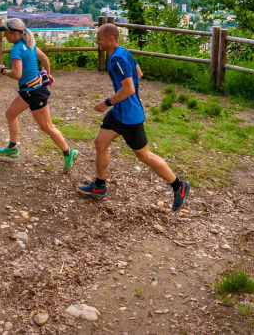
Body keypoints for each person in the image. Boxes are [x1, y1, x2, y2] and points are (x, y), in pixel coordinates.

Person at [77, 23, 191, 211]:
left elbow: (129, 88)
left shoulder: (116, 60)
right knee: (100, 143)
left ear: (110, 39)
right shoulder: (123, 52)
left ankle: (179, 186)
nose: (96, 42)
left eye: (99, 39)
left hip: (129, 116)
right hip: (119, 112)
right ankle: (99, 186)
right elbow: (139, 73)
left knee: (144, 156)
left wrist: (107, 102)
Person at [0, 18, 78, 172]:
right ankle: (13, 147)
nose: (4, 36)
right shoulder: (29, 43)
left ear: (13, 33)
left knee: (47, 126)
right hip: (30, 90)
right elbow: (45, 58)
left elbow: (17, 74)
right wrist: (48, 74)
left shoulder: (17, 49)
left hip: (33, 92)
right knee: (10, 114)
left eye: (5, 32)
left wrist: (3, 70)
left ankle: (69, 152)